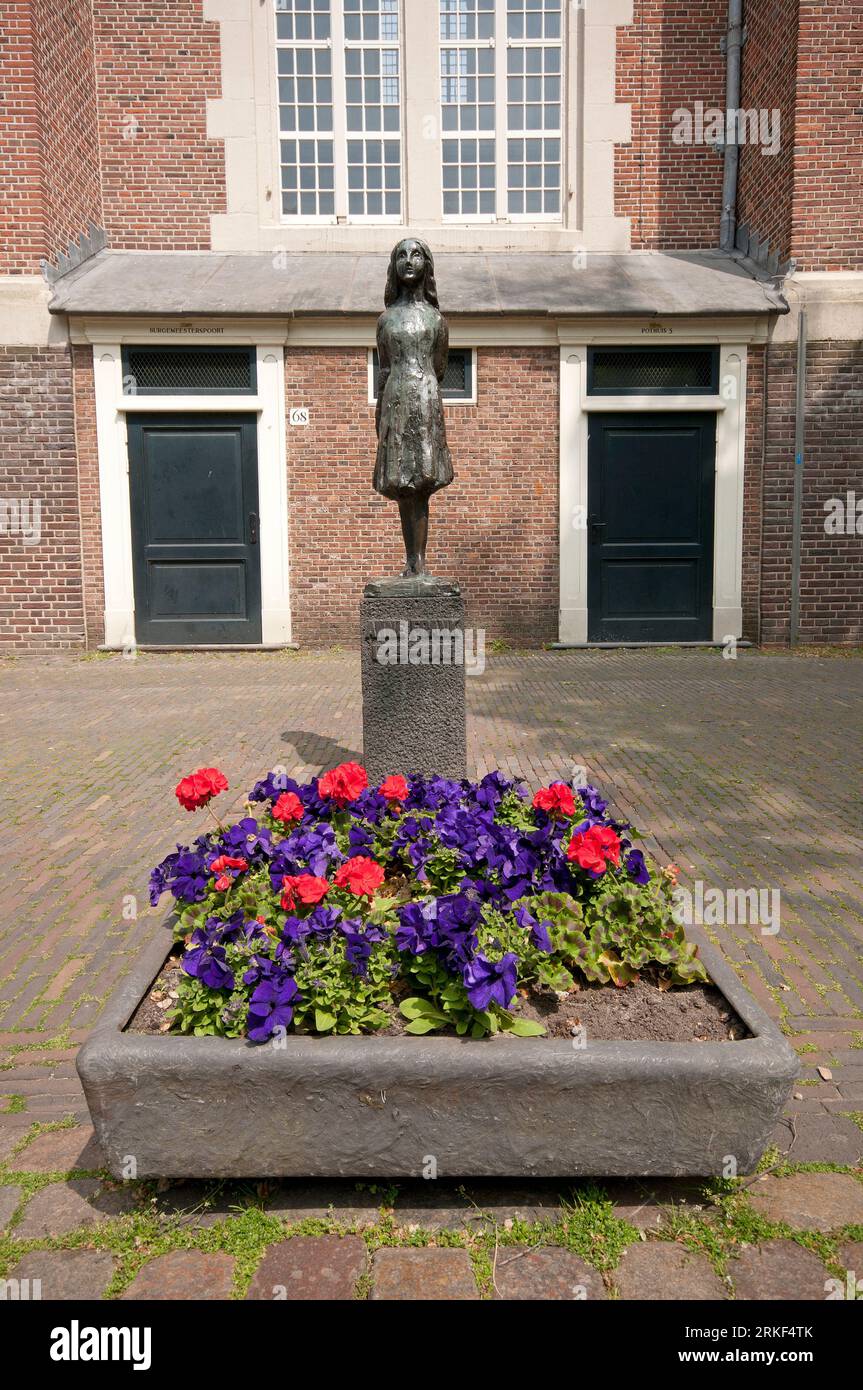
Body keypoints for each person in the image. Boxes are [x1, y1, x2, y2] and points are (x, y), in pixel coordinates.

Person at [373, 238, 454, 577]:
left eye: (416, 254)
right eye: (401, 255)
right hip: (394, 401)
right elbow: (384, 369)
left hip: (424, 400)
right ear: (393, 266)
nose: (408, 261)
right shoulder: (385, 320)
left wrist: (422, 398)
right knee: (402, 485)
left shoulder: (437, 321)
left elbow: (438, 368)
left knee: (421, 482)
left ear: (426, 264)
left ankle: (418, 562)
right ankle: (410, 560)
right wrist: (382, 417)